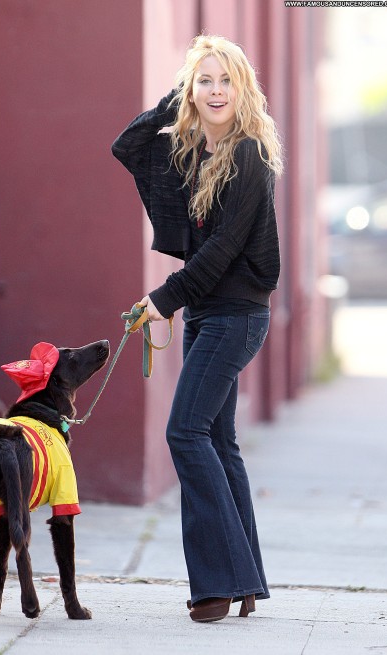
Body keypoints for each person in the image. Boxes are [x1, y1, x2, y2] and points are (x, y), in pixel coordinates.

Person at [111, 34, 283, 623]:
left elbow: (221, 251)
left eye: (225, 79)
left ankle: (219, 582)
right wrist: (175, 97)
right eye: (204, 80)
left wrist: (163, 300)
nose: (215, 91)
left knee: (185, 433)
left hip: (236, 316)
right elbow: (127, 145)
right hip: (208, 314)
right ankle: (245, 581)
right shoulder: (188, 154)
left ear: (243, 88)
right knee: (217, 441)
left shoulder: (249, 156)